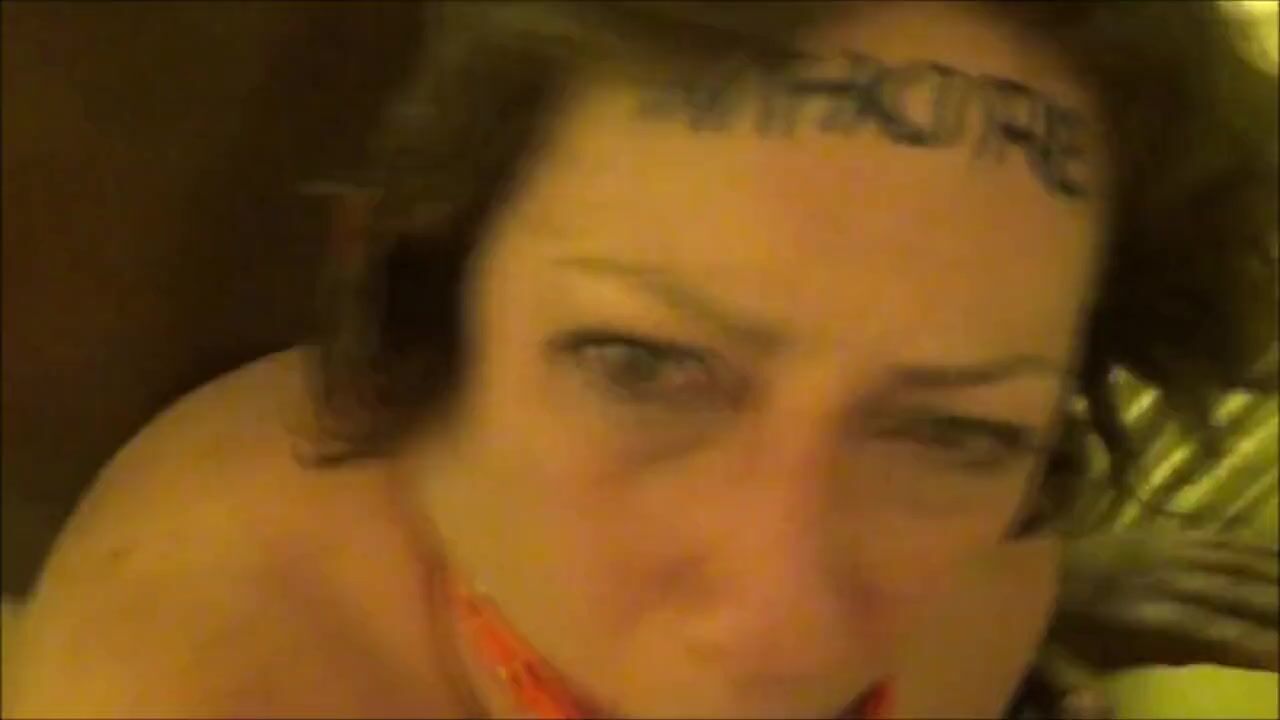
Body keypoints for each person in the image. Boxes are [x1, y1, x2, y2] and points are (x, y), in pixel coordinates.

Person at [5, 2, 1276, 718]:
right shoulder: (195, 688)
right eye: (641, 365)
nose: (780, 635)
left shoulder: (986, 563)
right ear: (412, 307)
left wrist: (1063, 594)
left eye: (952, 430)